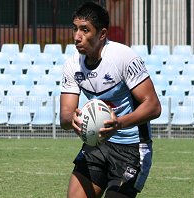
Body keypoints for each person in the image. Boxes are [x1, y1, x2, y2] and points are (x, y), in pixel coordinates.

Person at [60, 2, 161, 198]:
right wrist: (72, 119)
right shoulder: (72, 65)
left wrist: (118, 124)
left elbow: (154, 106)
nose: (76, 37)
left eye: (85, 30)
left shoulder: (123, 57)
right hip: (96, 145)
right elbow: (65, 115)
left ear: (102, 34)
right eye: (75, 29)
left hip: (132, 149)